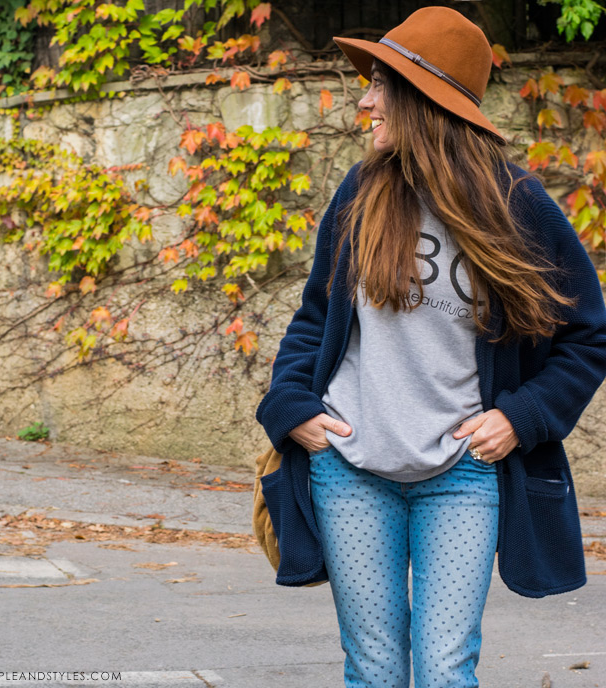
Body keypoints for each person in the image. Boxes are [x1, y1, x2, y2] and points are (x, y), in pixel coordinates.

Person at [255, 6, 606, 687]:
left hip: (463, 475)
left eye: (382, 83)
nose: (365, 99)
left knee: (447, 669)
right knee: (375, 667)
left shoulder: (517, 206)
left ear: (424, 99)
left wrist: (520, 417)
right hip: (350, 469)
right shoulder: (361, 193)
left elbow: (587, 333)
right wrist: (292, 405)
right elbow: (316, 317)